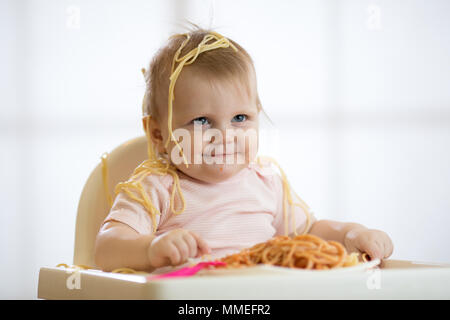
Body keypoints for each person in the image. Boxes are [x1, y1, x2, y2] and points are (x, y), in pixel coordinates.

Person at [94, 27, 393, 273]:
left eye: (240, 118)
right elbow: (107, 249)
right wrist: (150, 250)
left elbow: (312, 230)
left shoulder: (266, 182)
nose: (225, 136)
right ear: (158, 134)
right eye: (202, 121)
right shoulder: (156, 188)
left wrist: (352, 234)